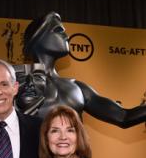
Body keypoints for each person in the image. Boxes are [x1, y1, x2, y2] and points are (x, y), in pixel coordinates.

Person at [18, 11, 146, 128]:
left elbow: (123, 117)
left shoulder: (77, 87)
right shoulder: (16, 81)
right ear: (37, 38)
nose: (66, 36)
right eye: (59, 30)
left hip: (74, 154)